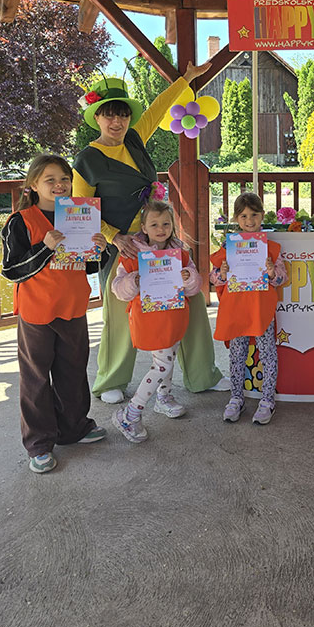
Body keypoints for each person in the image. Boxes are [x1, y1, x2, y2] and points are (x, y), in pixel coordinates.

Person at [72, 62, 226, 404]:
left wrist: (186, 79)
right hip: (122, 247)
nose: (117, 122)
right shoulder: (86, 160)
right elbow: (81, 210)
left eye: (122, 114)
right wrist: (115, 237)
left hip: (158, 239)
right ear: (97, 117)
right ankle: (111, 380)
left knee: (190, 298)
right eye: (109, 115)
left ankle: (202, 374)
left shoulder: (135, 139)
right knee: (119, 313)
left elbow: (159, 107)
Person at [1, 154, 108, 473]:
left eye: (64, 178)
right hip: (37, 313)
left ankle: (74, 428)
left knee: (73, 371)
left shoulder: (81, 215)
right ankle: (39, 443)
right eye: (50, 180)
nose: (59, 185)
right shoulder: (20, 221)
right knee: (36, 378)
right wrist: (45, 247)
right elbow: (11, 270)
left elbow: (89, 267)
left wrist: (100, 251)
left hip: (73, 307)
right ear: (33, 185)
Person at [110, 199, 201, 442]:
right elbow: (118, 288)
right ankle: (131, 413)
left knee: (169, 356)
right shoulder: (132, 255)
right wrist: (134, 280)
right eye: (154, 224)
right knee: (162, 365)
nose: (161, 229)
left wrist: (188, 277)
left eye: (166, 224)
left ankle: (163, 397)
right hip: (150, 319)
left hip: (175, 316)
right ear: (144, 227)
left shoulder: (180, 253)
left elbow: (194, 287)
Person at [210, 193, 286, 425]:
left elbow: (282, 277)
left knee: (267, 353)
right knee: (237, 354)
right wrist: (222, 274)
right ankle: (236, 398)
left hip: (261, 309)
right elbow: (213, 278)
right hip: (236, 308)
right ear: (236, 218)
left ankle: (267, 400)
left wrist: (272, 272)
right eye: (243, 216)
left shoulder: (270, 247)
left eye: (254, 214)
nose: (249, 220)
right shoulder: (228, 246)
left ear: (262, 215)